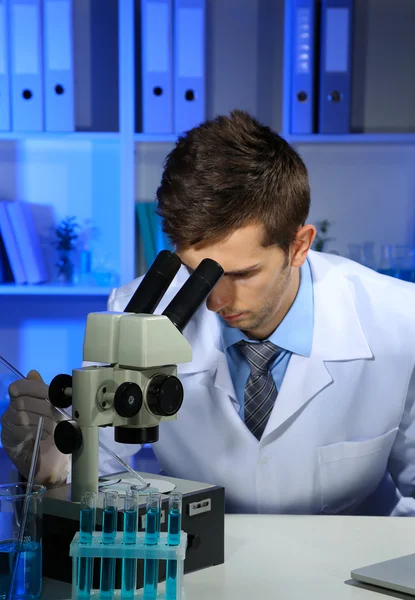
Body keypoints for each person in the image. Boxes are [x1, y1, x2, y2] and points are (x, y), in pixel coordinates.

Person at [2, 110, 415, 515]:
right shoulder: (133, 314)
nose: (215, 301)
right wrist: (53, 464)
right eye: (195, 274)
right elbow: (102, 469)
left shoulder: (398, 319)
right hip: (199, 566)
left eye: (241, 273)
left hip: (343, 572)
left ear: (299, 245)